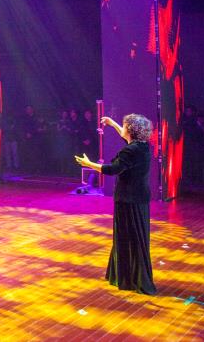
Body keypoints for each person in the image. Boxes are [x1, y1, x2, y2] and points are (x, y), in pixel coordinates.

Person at [76, 114, 157, 295]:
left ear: (131, 130)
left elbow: (112, 169)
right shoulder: (142, 146)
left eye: (125, 125)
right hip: (139, 197)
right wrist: (112, 123)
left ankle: (131, 279)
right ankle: (130, 276)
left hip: (128, 199)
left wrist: (89, 163)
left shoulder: (130, 151)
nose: (123, 128)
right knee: (135, 237)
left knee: (128, 237)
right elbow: (124, 136)